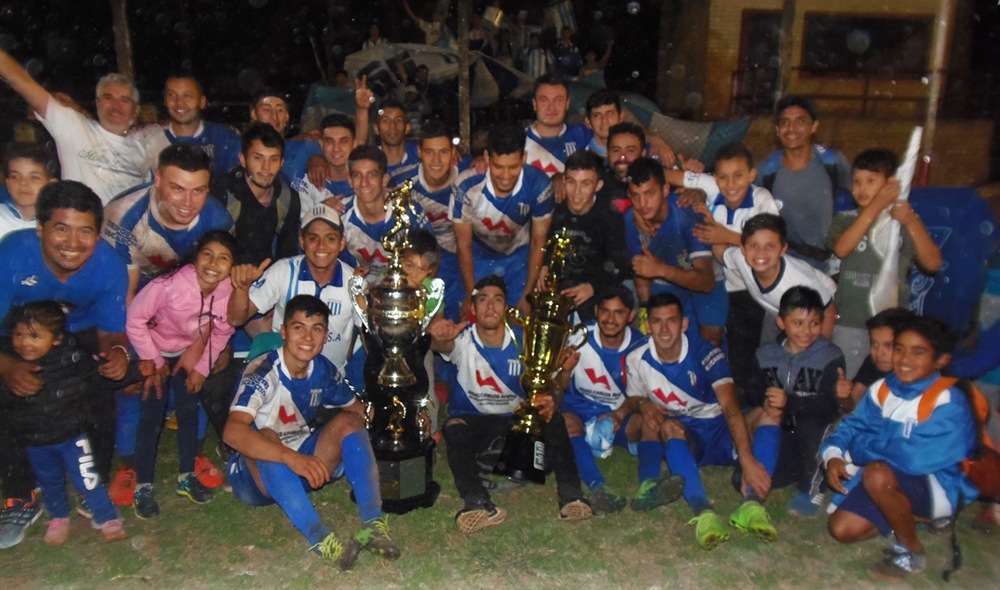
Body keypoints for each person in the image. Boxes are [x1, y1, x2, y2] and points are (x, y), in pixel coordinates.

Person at [224, 295, 399, 570]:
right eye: (299, 328)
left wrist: (393, 423)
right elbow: (232, 432)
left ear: (325, 336)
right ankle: (322, 540)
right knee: (267, 435)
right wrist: (290, 458)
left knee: (350, 422)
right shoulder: (263, 371)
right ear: (283, 332)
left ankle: (372, 525)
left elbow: (358, 411)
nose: (308, 337)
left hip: (304, 464)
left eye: (316, 329)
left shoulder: (323, 368)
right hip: (256, 479)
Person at [0, 181, 130, 549]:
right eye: (61, 228)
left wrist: (117, 353)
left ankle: (93, 483)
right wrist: (7, 367)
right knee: (8, 396)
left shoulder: (109, 265)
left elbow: (111, 330)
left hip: (79, 330)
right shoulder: (12, 255)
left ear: (97, 234)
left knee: (101, 388)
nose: (73, 242)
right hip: (17, 333)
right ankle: (20, 495)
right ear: (40, 228)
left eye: (85, 230)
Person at [429, 275, 592, 533]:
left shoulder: (526, 340)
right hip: (474, 422)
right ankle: (477, 504)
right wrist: (437, 335)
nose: (490, 307)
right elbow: (442, 344)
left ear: (506, 307)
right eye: (483, 300)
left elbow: (552, 389)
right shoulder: (463, 339)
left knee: (554, 418)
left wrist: (562, 377)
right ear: (473, 308)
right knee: (453, 426)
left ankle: (572, 497)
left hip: (514, 423)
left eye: (497, 300)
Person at [823, 316, 978, 580]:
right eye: (899, 348)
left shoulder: (948, 400)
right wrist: (834, 455)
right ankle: (914, 517)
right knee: (841, 530)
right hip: (889, 478)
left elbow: (913, 459)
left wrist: (860, 450)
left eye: (918, 352)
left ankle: (911, 551)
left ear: (941, 360)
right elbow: (852, 426)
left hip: (936, 487)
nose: (905, 359)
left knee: (877, 473)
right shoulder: (883, 389)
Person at [625, 293, 782, 550]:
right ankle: (704, 513)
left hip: (721, 428)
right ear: (647, 325)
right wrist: (642, 404)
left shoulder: (707, 354)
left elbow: (730, 407)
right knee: (668, 427)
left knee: (769, 414)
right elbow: (632, 397)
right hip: (689, 437)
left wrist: (747, 460)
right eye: (656, 321)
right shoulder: (636, 357)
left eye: (672, 320)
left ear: (684, 324)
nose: (664, 329)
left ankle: (751, 505)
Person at [126, 231, 237, 518]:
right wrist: (153, 359)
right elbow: (135, 319)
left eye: (223, 258)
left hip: (188, 351)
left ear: (231, 266)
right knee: (151, 416)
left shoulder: (227, 292)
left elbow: (222, 333)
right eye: (207, 255)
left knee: (189, 411)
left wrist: (201, 369)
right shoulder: (169, 284)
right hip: (154, 349)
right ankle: (143, 487)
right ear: (196, 256)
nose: (213, 264)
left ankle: (186, 476)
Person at [0, 302, 126, 546]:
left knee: (87, 478)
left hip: (72, 437)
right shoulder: (12, 368)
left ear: (56, 339)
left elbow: (98, 377)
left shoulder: (71, 358)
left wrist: (136, 372)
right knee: (49, 482)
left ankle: (106, 517)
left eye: (35, 336)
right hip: (35, 441)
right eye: (18, 334)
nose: (24, 342)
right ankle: (59, 517)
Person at [665, 142, 780, 393]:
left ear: (752, 174)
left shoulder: (762, 199)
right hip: (723, 284)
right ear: (715, 177)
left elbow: (771, 243)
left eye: (739, 175)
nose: (730, 184)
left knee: (749, 354)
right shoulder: (711, 185)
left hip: (753, 288)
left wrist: (724, 235)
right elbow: (667, 176)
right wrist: (687, 180)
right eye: (723, 177)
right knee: (721, 348)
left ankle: (749, 401)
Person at [830, 149, 942, 378]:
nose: (861, 187)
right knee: (847, 382)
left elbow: (933, 264)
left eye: (871, 181)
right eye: (857, 181)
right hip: (850, 321)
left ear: (891, 184)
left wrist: (910, 221)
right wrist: (874, 208)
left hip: (893, 327)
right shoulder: (846, 219)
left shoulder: (901, 223)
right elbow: (841, 248)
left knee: (892, 381)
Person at [745, 287, 845, 518]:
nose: (807, 331)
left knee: (812, 427)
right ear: (781, 322)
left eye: (814, 324)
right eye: (798, 323)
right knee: (762, 477)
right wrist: (766, 402)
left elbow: (829, 405)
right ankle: (796, 472)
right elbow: (752, 390)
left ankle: (812, 488)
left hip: (815, 428)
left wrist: (788, 402)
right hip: (781, 429)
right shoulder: (765, 354)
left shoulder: (830, 355)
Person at [0, 49, 147, 204]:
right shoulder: (75, 128)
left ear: (136, 109)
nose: (116, 106)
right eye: (108, 97)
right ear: (98, 103)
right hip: (76, 218)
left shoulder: (148, 146)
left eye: (124, 100)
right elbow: (24, 83)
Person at [228, 204, 356, 374]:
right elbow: (235, 319)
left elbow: (366, 332)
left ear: (341, 243)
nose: (321, 246)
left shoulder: (354, 282)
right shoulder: (283, 271)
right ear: (302, 242)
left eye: (330, 238)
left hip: (330, 378)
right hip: (281, 375)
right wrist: (242, 289)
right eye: (313, 238)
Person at [553, 286, 648, 513]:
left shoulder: (640, 345)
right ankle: (598, 487)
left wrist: (618, 415)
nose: (610, 319)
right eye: (605, 311)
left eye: (619, 312)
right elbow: (557, 387)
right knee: (565, 423)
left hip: (618, 414)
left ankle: (649, 484)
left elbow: (641, 395)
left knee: (650, 423)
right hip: (579, 410)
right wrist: (566, 370)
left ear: (631, 316)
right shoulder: (579, 336)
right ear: (596, 311)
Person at [102, 143, 233, 300]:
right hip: (133, 290)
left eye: (198, 190)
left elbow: (217, 292)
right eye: (178, 189)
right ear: (157, 179)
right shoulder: (122, 218)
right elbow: (120, 296)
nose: (188, 202)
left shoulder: (219, 221)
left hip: (184, 293)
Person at [451, 124, 553, 314]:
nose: (506, 176)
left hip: (519, 257)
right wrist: (471, 295)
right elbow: (463, 245)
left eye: (513, 167)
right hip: (479, 256)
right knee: (474, 316)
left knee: (520, 318)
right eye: (498, 166)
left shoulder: (539, 184)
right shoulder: (467, 186)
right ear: (487, 158)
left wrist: (528, 294)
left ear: (524, 158)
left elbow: (538, 242)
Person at [623, 157, 722, 345]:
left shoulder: (687, 214)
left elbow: (707, 282)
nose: (643, 203)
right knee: (663, 338)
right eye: (636, 195)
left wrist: (660, 269)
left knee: (709, 341)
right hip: (665, 280)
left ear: (665, 190)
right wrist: (645, 307)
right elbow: (641, 270)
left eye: (650, 193)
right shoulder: (631, 219)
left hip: (704, 278)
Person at [758, 95, 851, 269]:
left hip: (827, 265)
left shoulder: (831, 162)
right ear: (777, 130)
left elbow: (861, 195)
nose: (791, 128)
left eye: (800, 121)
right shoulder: (767, 170)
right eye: (784, 122)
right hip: (784, 265)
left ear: (814, 126)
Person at [716, 214, 838, 345]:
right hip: (781, 313)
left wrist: (817, 350)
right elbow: (722, 255)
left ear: (783, 249)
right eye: (753, 245)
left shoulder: (799, 283)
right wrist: (713, 227)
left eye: (770, 246)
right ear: (743, 249)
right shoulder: (741, 258)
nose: (761, 253)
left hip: (823, 314)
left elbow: (829, 310)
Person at [540, 150, 629, 321]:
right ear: (563, 180)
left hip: (591, 292)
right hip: (554, 290)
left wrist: (592, 287)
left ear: (598, 186)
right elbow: (537, 244)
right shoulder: (552, 210)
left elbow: (620, 264)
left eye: (586, 184)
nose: (577, 192)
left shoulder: (609, 217)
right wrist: (542, 266)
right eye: (571, 182)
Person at [390, 121, 464, 320]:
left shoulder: (468, 176)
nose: (436, 160)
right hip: (418, 262)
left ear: (453, 152)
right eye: (430, 152)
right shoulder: (401, 181)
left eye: (443, 152)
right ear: (419, 152)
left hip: (459, 260)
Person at [212, 122, 301, 266]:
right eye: (258, 158)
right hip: (223, 271)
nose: (266, 167)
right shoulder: (222, 192)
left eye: (273, 159)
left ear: (282, 163)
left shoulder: (287, 197)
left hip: (266, 274)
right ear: (243, 160)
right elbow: (207, 250)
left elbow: (287, 256)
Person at [339, 145, 431, 286]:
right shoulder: (340, 215)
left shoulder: (409, 211)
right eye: (357, 175)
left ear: (384, 180)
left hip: (402, 290)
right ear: (350, 181)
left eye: (372, 175)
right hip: (355, 291)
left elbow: (430, 257)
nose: (364, 183)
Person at [138, 74, 241, 177]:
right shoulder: (148, 140)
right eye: (172, 95)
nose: (179, 103)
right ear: (165, 100)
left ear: (202, 102)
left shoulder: (225, 138)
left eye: (187, 96)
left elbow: (236, 181)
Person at [837, 307, 916, 411]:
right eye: (874, 344)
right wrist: (843, 397)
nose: (879, 353)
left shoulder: (921, 374)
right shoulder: (873, 364)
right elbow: (852, 404)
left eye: (889, 346)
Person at [524, 74, 593, 178]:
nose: (551, 107)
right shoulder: (519, 141)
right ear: (534, 104)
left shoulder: (583, 135)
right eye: (544, 100)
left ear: (567, 103)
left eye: (558, 100)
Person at [289, 113, 357, 214]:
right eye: (329, 141)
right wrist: (320, 210)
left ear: (354, 144)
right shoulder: (306, 181)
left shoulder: (364, 182)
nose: (336, 148)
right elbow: (296, 219)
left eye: (343, 141)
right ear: (321, 144)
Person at [0, 143, 57, 240]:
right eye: (15, 177)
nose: (23, 183)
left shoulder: (57, 224)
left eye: (34, 177)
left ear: (51, 185)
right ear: (8, 184)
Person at [597, 122, 645, 213]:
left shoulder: (654, 181)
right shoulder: (595, 182)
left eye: (630, 151)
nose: (622, 157)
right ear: (607, 152)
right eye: (616, 150)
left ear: (643, 154)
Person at [371, 98, 421, 180]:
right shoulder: (370, 162)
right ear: (376, 128)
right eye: (385, 120)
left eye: (398, 120)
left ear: (407, 127)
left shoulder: (420, 153)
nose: (392, 126)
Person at [582, 89, 624, 161]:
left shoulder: (635, 154)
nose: (604, 120)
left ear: (620, 118)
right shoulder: (581, 157)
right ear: (588, 122)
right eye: (597, 115)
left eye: (610, 113)